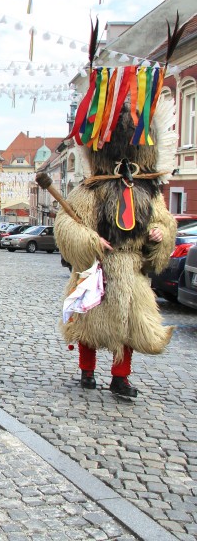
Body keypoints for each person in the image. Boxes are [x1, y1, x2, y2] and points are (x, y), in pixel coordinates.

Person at [55, 92, 177, 398]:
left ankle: (120, 378)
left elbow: (164, 221)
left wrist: (159, 234)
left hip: (131, 269)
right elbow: (69, 223)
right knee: (89, 324)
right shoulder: (91, 189)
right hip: (98, 268)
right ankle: (87, 370)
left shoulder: (148, 191)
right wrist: (90, 240)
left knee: (129, 327)